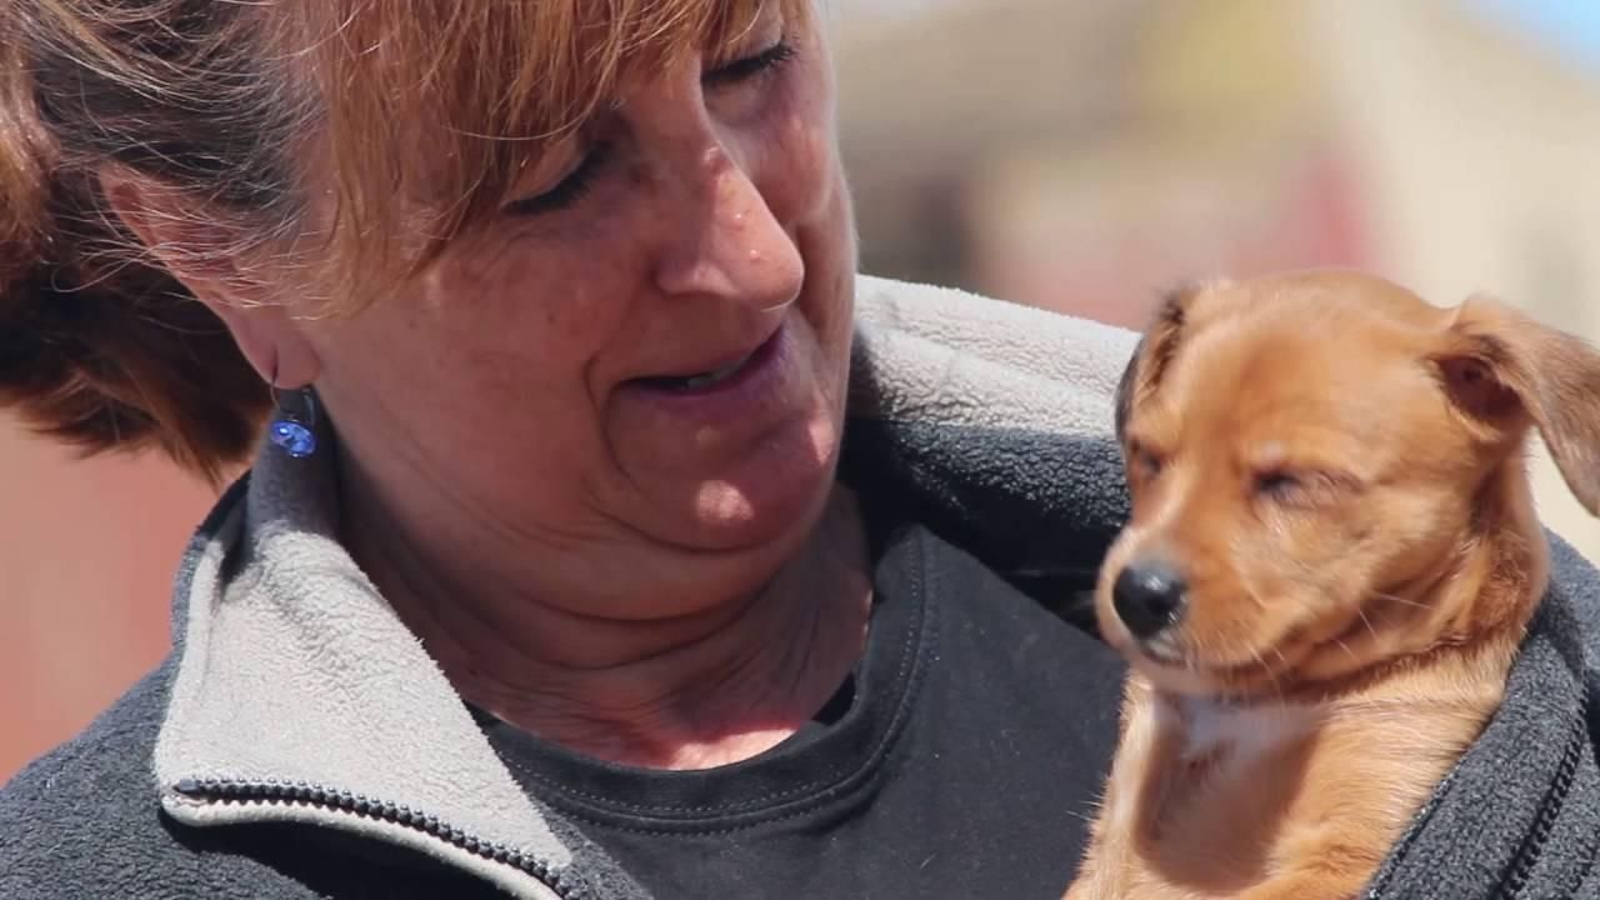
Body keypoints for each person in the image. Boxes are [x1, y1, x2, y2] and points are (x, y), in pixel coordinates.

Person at [0, 2, 1597, 899]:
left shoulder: (1499, 660)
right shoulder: (106, 879)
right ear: (227, 256)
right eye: (556, 175)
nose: (759, 257)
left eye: (753, 60)